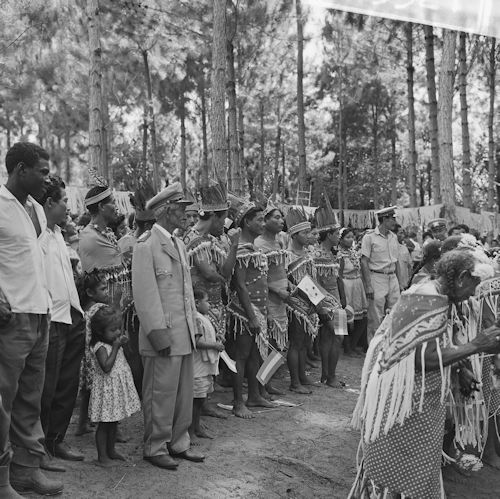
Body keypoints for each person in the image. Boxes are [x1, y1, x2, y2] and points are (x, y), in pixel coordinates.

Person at [349, 249, 500, 499]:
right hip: (403, 399)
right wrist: (476, 345)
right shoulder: (428, 299)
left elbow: (434, 342)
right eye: (473, 285)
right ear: (462, 277)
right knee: (404, 466)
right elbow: (424, 359)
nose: (473, 293)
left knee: (409, 464)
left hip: (411, 396)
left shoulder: (435, 295)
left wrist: (459, 368)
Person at [0, 142, 63, 496]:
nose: (48, 178)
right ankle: (1, 479)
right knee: (2, 401)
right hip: (11, 319)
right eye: (42, 171)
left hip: (40, 315)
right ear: (20, 170)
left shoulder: (36, 209)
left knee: (29, 400)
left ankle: (26, 470)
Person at [132, 182, 204, 470]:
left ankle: (178, 442)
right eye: (181, 208)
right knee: (160, 394)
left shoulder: (179, 243)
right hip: (163, 335)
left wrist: (194, 326)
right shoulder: (146, 244)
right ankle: (155, 445)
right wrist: (157, 334)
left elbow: (186, 292)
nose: (186, 214)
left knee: (183, 394)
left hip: (183, 333)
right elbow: (145, 295)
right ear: (165, 210)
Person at [38, 175, 85, 471]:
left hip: (72, 315)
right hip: (52, 317)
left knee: (68, 385)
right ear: (49, 203)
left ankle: (57, 439)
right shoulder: (38, 236)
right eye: (64, 201)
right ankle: (39, 447)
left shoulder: (58, 234)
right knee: (47, 387)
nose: (68, 206)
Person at [183, 183, 239, 417]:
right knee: (201, 359)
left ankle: (204, 403)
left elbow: (224, 272)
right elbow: (212, 274)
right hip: (199, 307)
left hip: (214, 305)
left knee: (210, 358)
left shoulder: (212, 239)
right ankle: (197, 408)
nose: (225, 224)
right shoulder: (194, 239)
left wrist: (233, 247)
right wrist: (223, 275)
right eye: (223, 218)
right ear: (214, 216)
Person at [226, 195, 274, 418]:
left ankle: (254, 395)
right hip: (244, 310)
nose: (264, 224)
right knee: (242, 355)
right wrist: (252, 316)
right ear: (246, 222)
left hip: (258, 309)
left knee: (255, 354)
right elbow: (241, 285)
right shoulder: (242, 250)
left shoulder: (253, 248)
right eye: (260, 220)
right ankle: (238, 402)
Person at [88, 305, 140, 467]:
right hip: (106, 391)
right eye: (113, 330)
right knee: (104, 425)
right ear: (100, 331)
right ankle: (102, 457)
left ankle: (111, 451)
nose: (118, 332)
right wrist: (116, 348)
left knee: (113, 422)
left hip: (115, 390)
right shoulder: (100, 347)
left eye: (119, 328)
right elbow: (106, 367)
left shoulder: (112, 342)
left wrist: (124, 344)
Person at [255, 203, 290, 395]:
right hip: (268, 299)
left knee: (278, 344)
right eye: (276, 217)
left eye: (281, 217)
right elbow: (259, 277)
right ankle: (260, 387)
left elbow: (281, 270)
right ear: (265, 220)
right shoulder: (258, 244)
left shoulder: (280, 242)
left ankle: (266, 383)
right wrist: (276, 290)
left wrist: (288, 285)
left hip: (281, 300)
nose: (281, 221)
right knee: (267, 343)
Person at [311, 195, 345, 388]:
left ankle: (328, 375)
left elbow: (338, 279)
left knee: (333, 337)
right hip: (325, 302)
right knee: (335, 336)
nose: (339, 236)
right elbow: (313, 283)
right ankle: (330, 376)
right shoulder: (315, 255)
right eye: (337, 233)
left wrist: (342, 301)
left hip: (336, 302)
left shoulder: (334, 254)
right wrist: (322, 305)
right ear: (329, 234)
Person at [360, 206, 401, 344]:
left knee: (395, 312)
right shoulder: (369, 237)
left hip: (392, 277)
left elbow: (396, 261)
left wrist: (400, 282)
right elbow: (364, 261)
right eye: (392, 219)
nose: (394, 222)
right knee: (376, 316)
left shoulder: (393, 237)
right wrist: (368, 285)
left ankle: (391, 345)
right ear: (384, 219)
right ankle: (374, 348)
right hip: (377, 277)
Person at [76, 271, 109, 437]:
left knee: (87, 393)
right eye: (103, 289)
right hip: (98, 358)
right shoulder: (100, 309)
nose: (107, 292)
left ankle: (82, 424)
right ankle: (113, 430)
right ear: (90, 292)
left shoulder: (84, 309)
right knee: (106, 393)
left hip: (86, 358)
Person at [190, 289, 224, 440]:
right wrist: (214, 345)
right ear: (197, 303)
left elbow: (205, 335)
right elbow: (197, 342)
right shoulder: (196, 319)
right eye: (207, 301)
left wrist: (216, 337)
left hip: (204, 368)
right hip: (198, 368)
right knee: (195, 401)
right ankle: (191, 431)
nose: (209, 305)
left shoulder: (202, 318)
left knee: (200, 400)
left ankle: (196, 427)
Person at [338, 228, 368, 355]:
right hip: (346, 286)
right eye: (347, 237)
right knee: (346, 318)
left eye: (352, 237)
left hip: (357, 285)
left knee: (362, 318)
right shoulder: (339, 255)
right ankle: (347, 348)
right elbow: (339, 276)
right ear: (340, 239)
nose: (351, 240)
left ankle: (353, 344)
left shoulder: (354, 252)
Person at [395, 224, 413, 290]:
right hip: (394, 287)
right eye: (401, 233)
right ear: (394, 234)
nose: (403, 235)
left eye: (403, 233)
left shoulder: (404, 248)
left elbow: (410, 266)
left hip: (405, 285)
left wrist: (410, 281)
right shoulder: (388, 249)